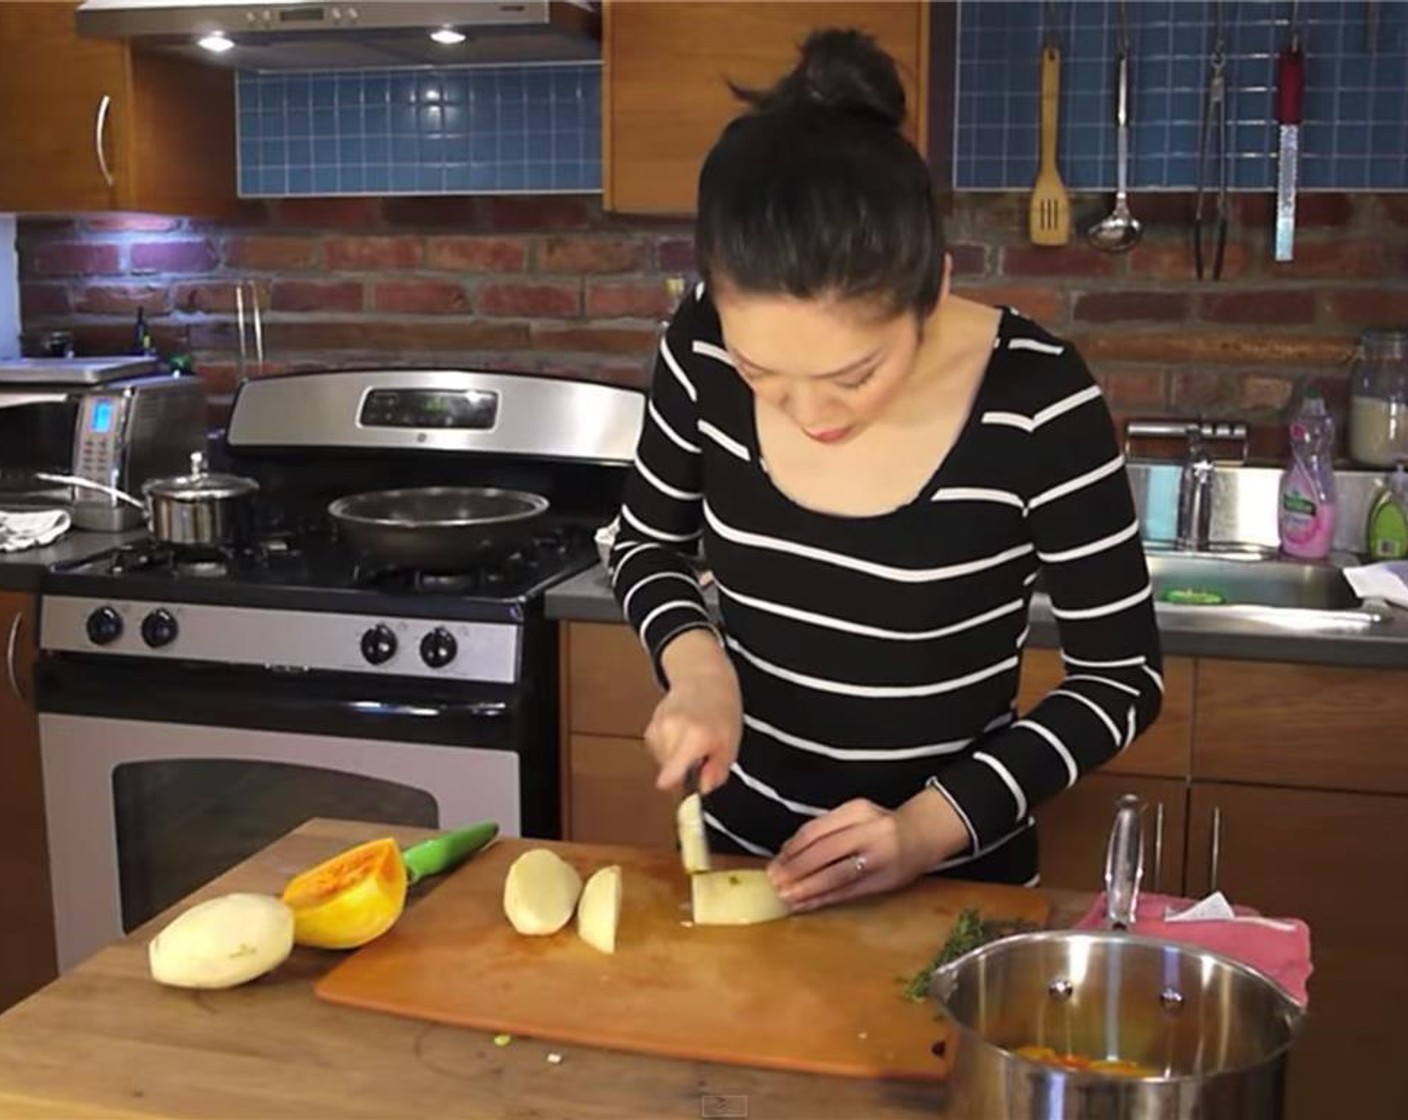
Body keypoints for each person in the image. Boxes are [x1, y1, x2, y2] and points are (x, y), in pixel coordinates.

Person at [607, 28, 1163, 912]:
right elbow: (644, 545)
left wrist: (923, 831)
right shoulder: (700, 349)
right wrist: (699, 667)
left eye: (854, 375)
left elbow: (1121, 678)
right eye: (763, 374)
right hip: (744, 866)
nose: (812, 414)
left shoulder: (1037, 397)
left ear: (932, 293)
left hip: (952, 884)